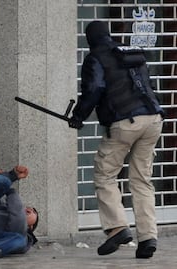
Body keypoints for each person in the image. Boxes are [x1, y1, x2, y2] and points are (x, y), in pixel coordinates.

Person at [68, 21, 164, 259]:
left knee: (105, 174)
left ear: (89, 39)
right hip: (153, 119)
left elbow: (94, 88)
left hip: (125, 123)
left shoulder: (95, 58)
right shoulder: (127, 52)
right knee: (142, 180)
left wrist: (78, 117)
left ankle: (117, 228)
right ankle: (148, 237)